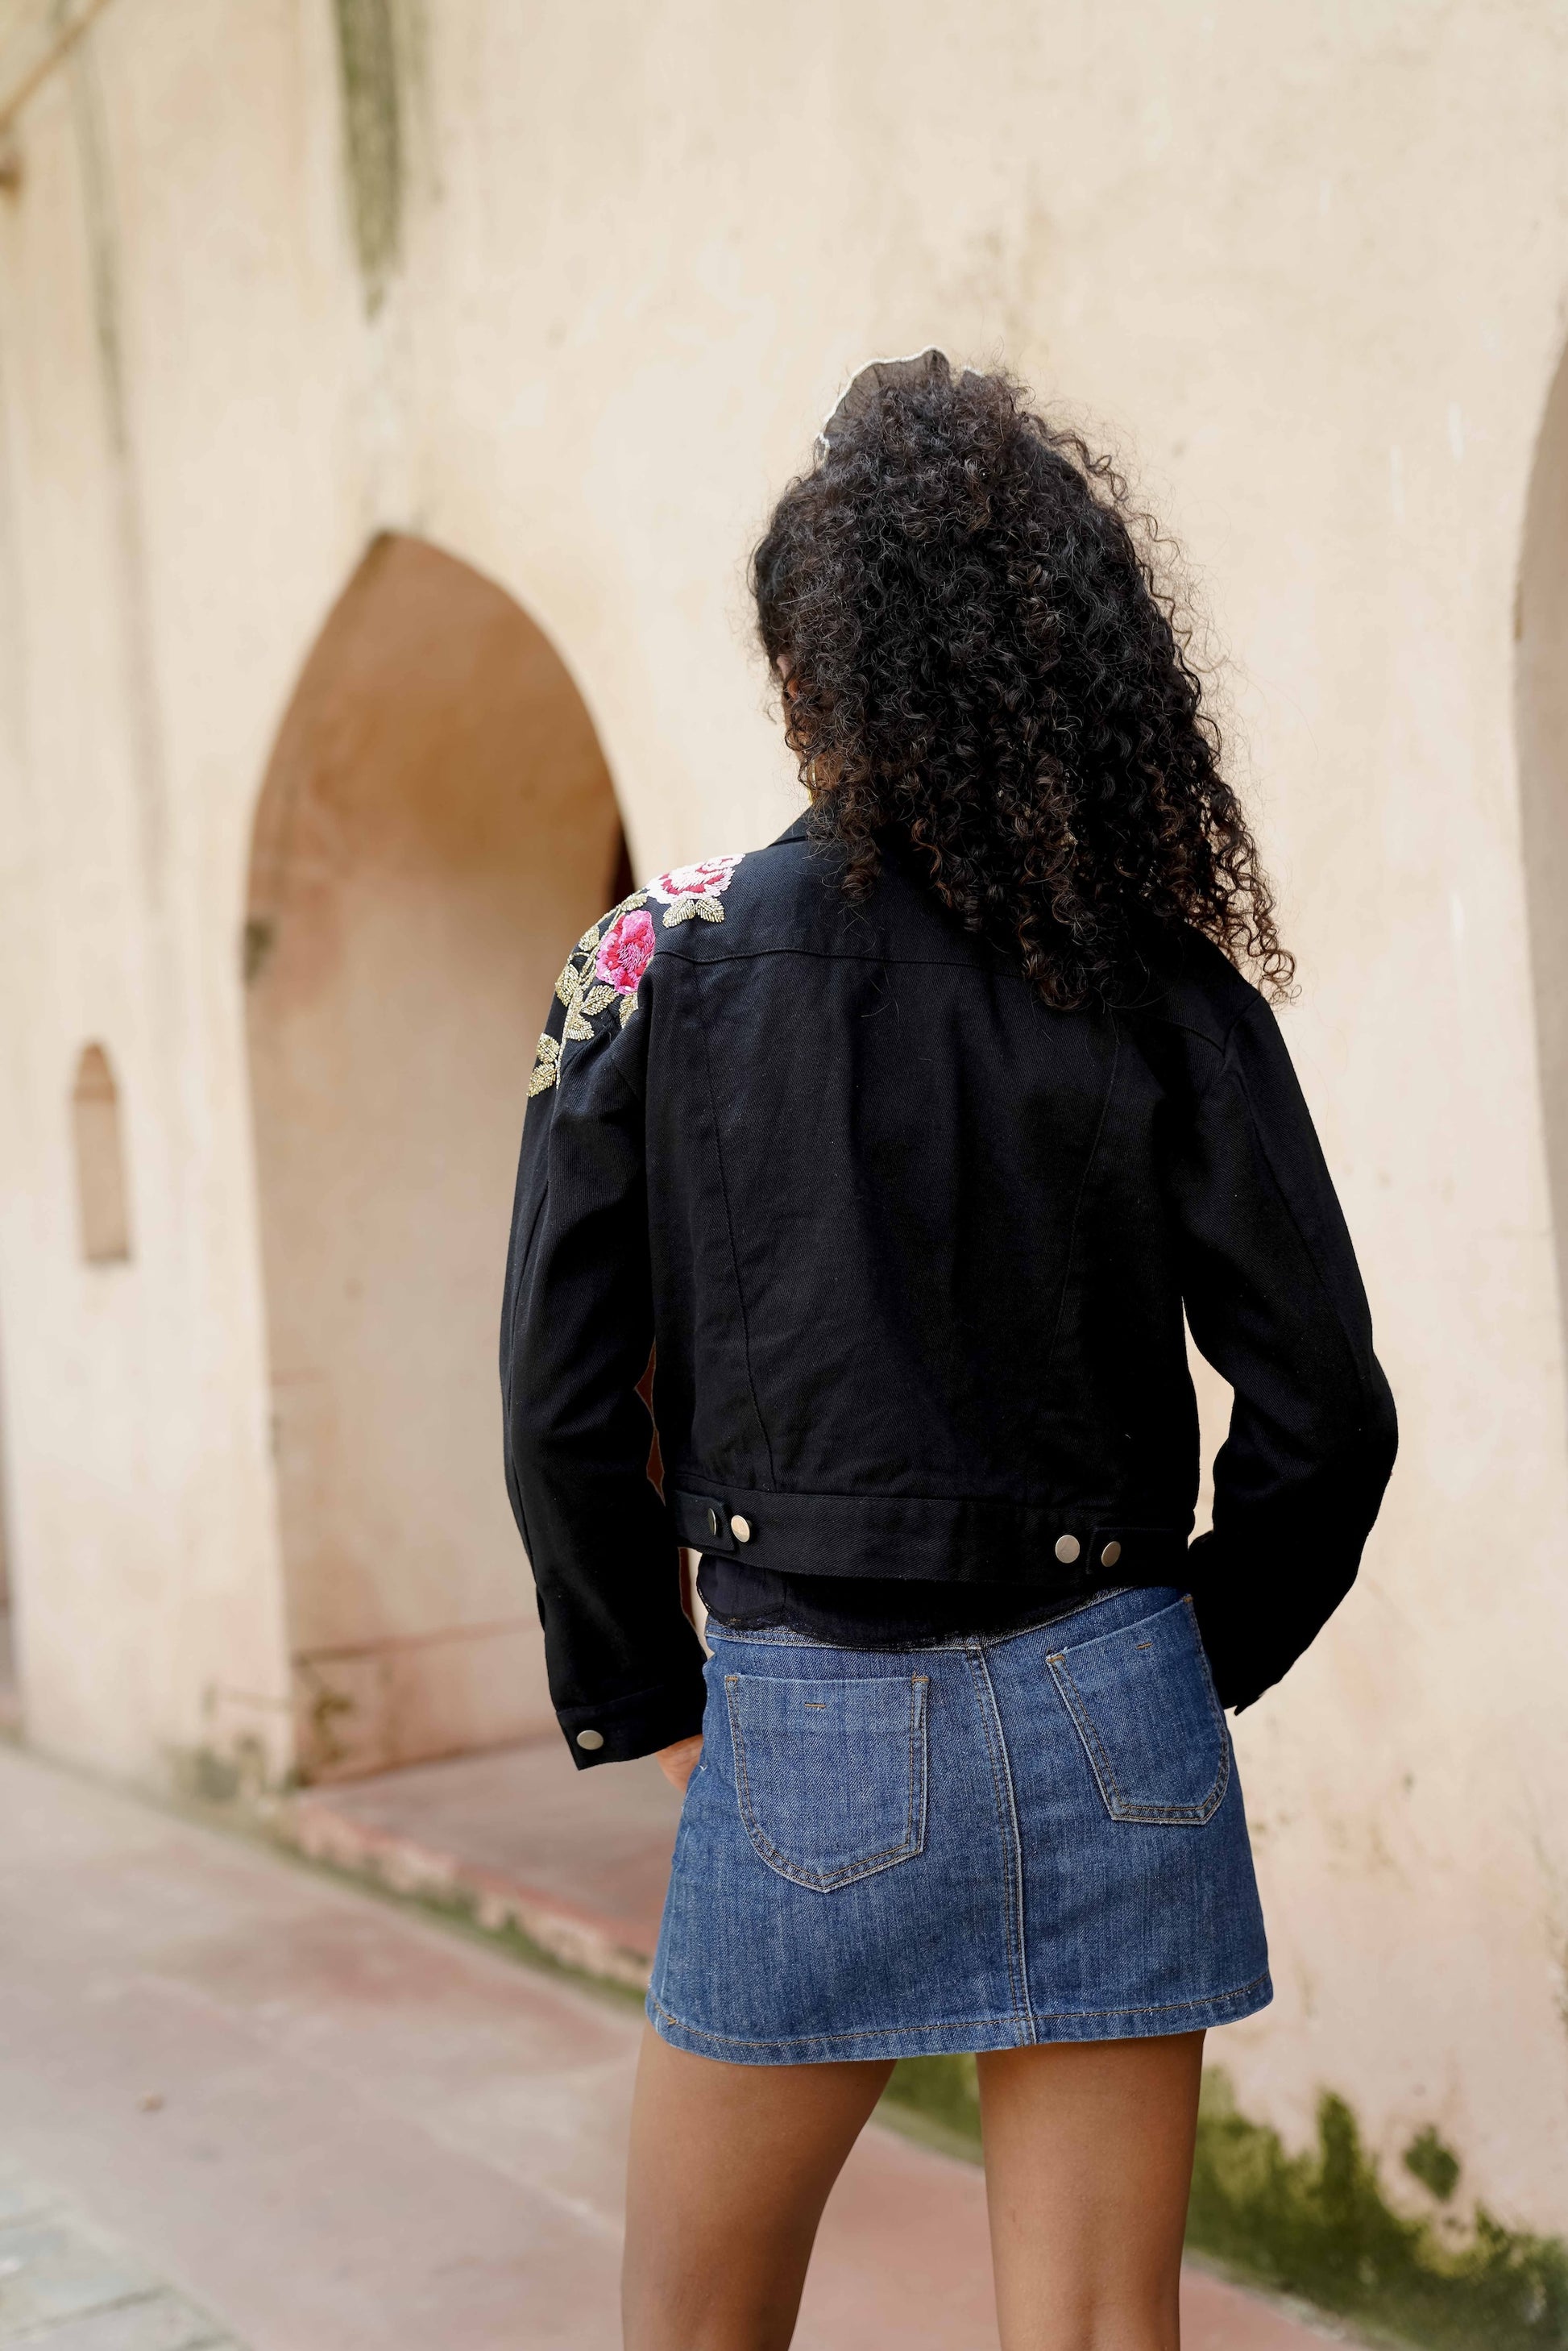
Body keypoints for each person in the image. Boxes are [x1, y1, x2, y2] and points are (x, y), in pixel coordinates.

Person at [501, 351, 1396, 2351]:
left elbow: (559, 1409)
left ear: (809, 677)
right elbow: (1326, 1412)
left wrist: (642, 1700)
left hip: (806, 1709)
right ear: (1066, 665)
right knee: (1096, 2330)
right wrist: (1176, 1658)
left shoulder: (658, 963)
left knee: (699, 2330)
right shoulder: (1155, 974)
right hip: (1116, 1704)